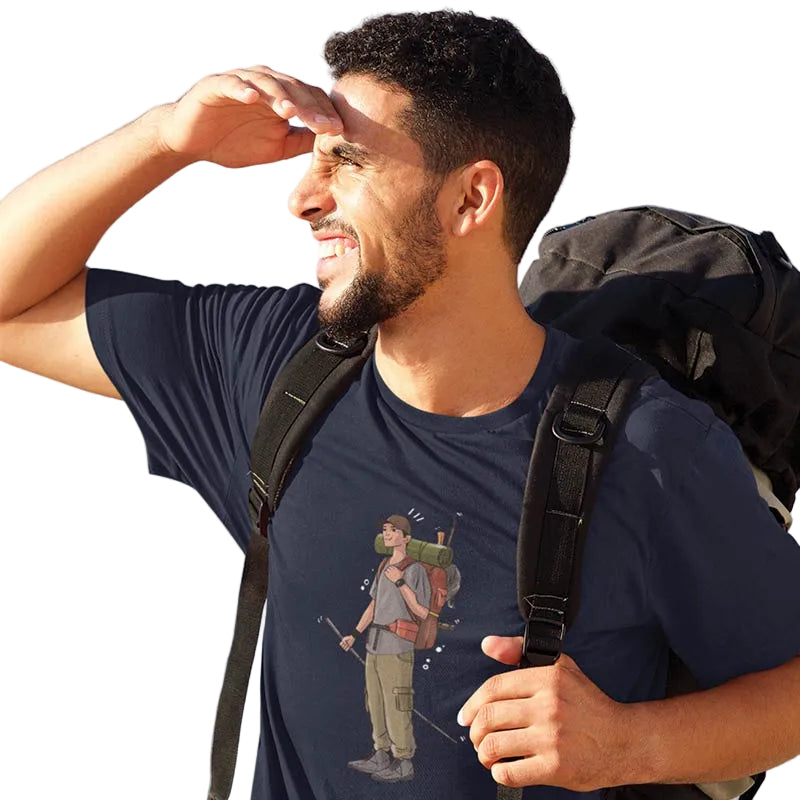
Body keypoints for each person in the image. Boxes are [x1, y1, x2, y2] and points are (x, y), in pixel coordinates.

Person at [0, 9, 799, 800]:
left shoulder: (648, 449)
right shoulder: (273, 368)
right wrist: (164, 136)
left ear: (471, 198)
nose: (302, 198)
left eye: (346, 162)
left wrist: (630, 746)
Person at [340, 515, 431, 783]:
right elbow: (373, 605)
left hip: (398, 647)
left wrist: (401, 582)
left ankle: (403, 762)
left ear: (406, 538)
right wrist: (355, 634)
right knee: (375, 702)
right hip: (375, 645)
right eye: (385, 530)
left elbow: (423, 612)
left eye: (394, 530)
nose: (388, 534)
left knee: (397, 704)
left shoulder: (414, 570)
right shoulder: (383, 566)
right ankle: (381, 755)